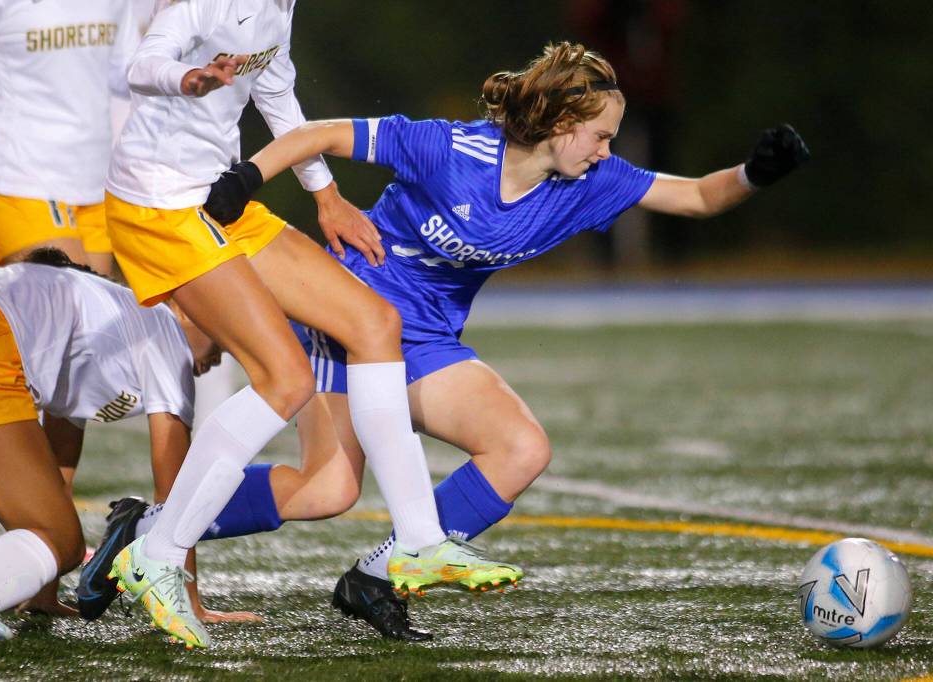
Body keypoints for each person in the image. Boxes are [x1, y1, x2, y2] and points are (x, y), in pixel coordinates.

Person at [102, 41, 811, 640]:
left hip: (428, 340)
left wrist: (755, 174)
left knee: (520, 449)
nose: (606, 151)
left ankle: (378, 577)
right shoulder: (450, 150)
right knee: (326, 490)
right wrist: (252, 175)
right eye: (599, 135)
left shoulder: (590, 183)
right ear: (562, 124)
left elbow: (697, 197)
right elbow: (321, 133)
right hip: (347, 319)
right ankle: (151, 528)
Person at [102, 0, 521, 650]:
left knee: (374, 321)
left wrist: (325, 194)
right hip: (160, 205)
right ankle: (158, 552)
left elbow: (277, 90)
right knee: (285, 379)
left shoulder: (277, 7)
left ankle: (417, 542)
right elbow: (141, 62)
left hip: (216, 197)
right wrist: (185, 78)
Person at [0, 253, 236, 640]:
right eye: (220, 330)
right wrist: (188, 600)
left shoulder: (96, 325)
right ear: (182, 308)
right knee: (60, 539)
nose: (222, 351)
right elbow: (175, 494)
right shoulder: (161, 327)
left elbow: (54, 473)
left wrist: (41, 591)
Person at [0, 0, 130, 275]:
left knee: (91, 314)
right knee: (65, 304)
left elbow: (124, 77)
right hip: (20, 181)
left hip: (95, 186)